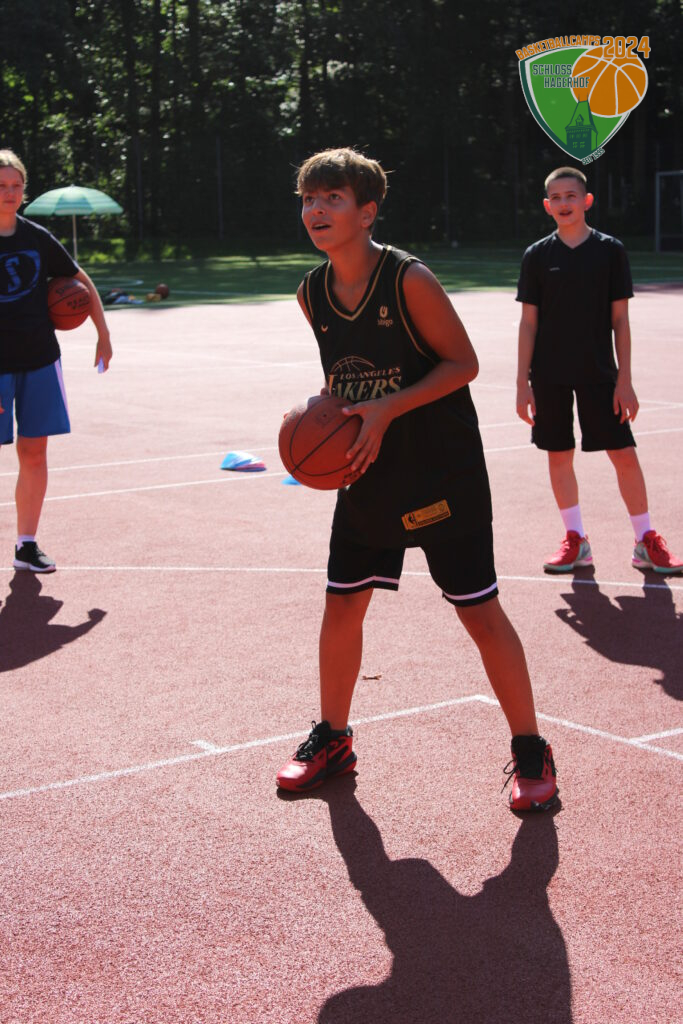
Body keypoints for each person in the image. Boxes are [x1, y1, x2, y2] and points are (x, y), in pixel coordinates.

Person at [276, 147, 558, 812]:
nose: (316, 210)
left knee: (477, 610)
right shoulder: (311, 292)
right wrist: (323, 415)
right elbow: (346, 375)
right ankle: (333, 737)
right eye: (309, 199)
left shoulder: (407, 280)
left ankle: (530, 747)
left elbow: (462, 364)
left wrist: (386, 408)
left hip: (439, 467)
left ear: (366, 212)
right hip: (364, 467)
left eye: (333, 198)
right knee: (342, 604)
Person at [516, 166, 682, 575]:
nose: (564, 203)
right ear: (546, 205)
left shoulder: (610, 251)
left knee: (623, 453)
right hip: (549, 375)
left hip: (599, 373)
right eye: (556, 198)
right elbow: (528, 323)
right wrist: (522, 383)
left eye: (571, 196)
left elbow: (620, 321)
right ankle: (576, 540)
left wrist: (625, 379)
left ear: (587, 201)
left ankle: (645, 541)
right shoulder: (537, 255)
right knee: (559, 455)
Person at [0, 149, 112, 572]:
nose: (10, 193)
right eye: (1, 186)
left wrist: (103, 333)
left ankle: (26, 545)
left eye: (16, 185)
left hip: (40, 359)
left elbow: (80, 280)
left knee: (34, 453)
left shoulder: (36, 237)